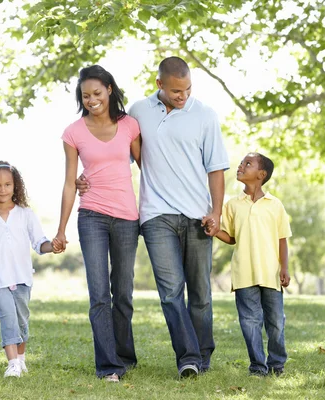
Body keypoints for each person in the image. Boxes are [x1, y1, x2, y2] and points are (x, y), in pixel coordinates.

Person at [77, 56, 229, 378]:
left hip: (197, 215)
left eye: (187, 89)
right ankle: (188, 358)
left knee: (200, 293)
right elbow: (119, 154)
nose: (182, 96)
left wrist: (216, 212)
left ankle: (202, 355)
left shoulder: (205, 116)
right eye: (175, 90)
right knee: (171, 291)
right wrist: (86, 178)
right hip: (155, 213)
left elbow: (216, 168)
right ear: (159, 84)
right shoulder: (138, 112)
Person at [52, 65, 141, 383]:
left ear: (110, 90)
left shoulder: (130, 125)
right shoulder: (73, 132)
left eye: (97, 93)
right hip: (91, 217)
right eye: (85, 96)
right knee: (100, 294)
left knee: (124, 292)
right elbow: (69, 183)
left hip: (128, 218)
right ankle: (109, 366)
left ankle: (125, 357)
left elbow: (149, 168)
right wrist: (61, 229)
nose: (92, 100)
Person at [205, 152, 292, 377]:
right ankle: (257, 366)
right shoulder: (232, 205)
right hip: (244, 274)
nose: (241, 166)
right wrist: (215, 232)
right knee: (250, 322)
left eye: (248, 163)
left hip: (271, 274)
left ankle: (277, 363)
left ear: (261, 175)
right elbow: (231, 237)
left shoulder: (275, 205)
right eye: (242, 162)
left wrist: (284, 268)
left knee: (275, 323)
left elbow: (282, 239)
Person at [0, 161, 58, 378]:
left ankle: (20, 359)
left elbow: (40, 243)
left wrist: (53, 246)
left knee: (21, 320)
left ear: (15, 186)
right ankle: (12, 364)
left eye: (7, 184)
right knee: (7, 317)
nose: (3, 190)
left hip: (22, 278)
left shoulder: (25, 214)